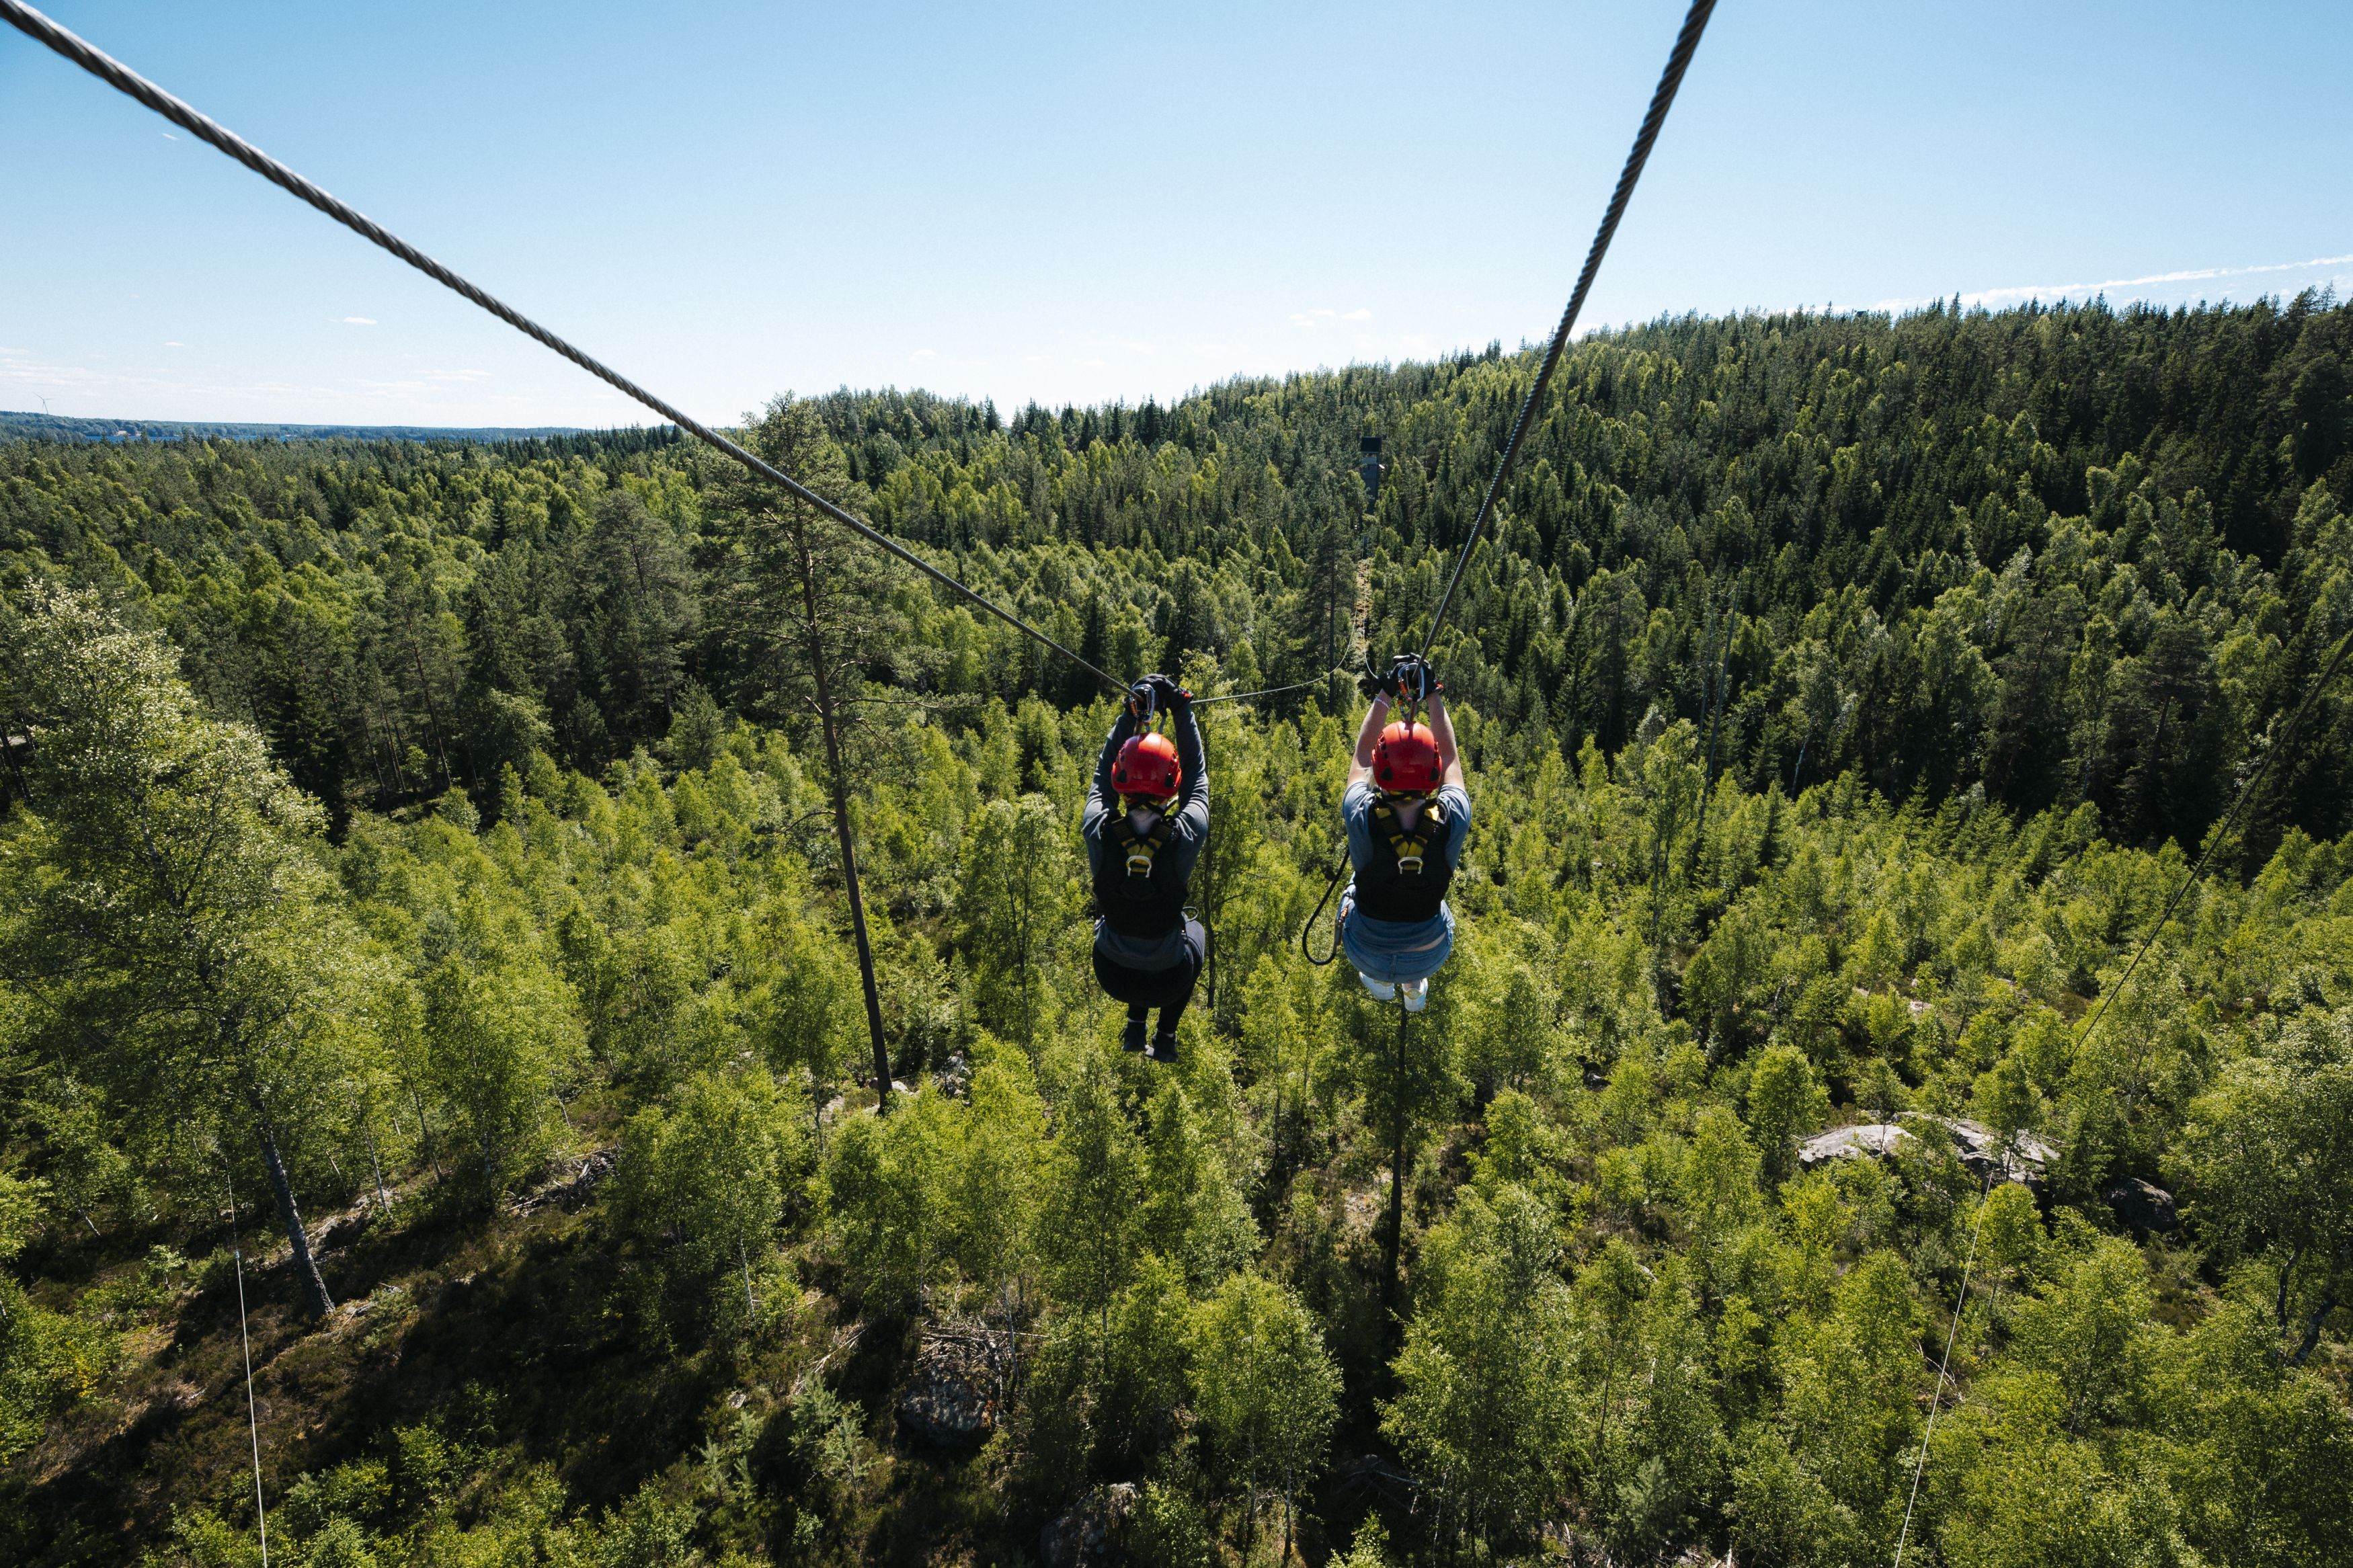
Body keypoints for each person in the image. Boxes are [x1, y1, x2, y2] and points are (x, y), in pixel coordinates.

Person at [1082, 673, 1209, 1063]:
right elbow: (1198, 781)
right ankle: (1165, 1035)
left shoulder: (1098, 828)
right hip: (1168, 980)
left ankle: (1135, 1025)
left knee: (1141, 937)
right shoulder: (1185, 836)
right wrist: (1182, 708)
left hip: (1111, 973)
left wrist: (1130, 715)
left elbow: (1103, 775)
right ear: (1171, 784)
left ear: (1124, 777)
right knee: (1197, 934)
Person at [1339, 653, 1470, 1012]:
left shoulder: (1360, 814)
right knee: (1438, 904)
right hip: (1429, 954)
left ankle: (1381, 979)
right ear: (1434, 772)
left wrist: (1384, 693)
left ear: (1381, 771)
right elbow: (1454, 762)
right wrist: (1433, 694)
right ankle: (1413, 985)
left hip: (1365, 951)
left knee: (1353, 885)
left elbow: (1360, 757)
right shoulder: (1454, 816)